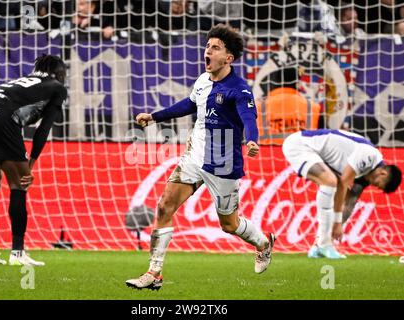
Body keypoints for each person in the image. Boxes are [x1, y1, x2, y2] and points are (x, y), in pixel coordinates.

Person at [126, 24, 275, 291]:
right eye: (208, 46)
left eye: (215, 48)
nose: (207, 51)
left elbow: (248, 117)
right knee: (164, 206)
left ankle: (263, 242)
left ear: (228, 58)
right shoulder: (203, 80)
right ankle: (154, 273)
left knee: (229, 224)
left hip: (223, 162)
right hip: (195, 156)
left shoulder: (239, 89)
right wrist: (154, 116)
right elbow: (189, 104)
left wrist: (252, 139)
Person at [0, 54, 67, 266]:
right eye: (63, 73)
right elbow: (44, 128)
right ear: (58, 73)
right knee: (19, 185)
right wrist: (30, 165)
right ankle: (17, 253)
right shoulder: (57, 87)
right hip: (2, 118)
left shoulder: (23, 81)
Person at [282, 129, 402, 259]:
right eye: (379, 184)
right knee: (329, 181)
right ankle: (324, 245)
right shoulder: (369, 156)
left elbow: (350, 202)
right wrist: (337, 222)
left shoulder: (365, 177)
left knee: (331, 183)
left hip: (314, 153)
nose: (376, 186)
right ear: (382, 173)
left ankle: (319, 246)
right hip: (300, 145)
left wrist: (338, 224)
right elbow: (343, 183)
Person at [256, 67, 320, 145]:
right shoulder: (314, 107)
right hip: (302, 154)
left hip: (266, 154)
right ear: (296, 83)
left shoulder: (258, 107)